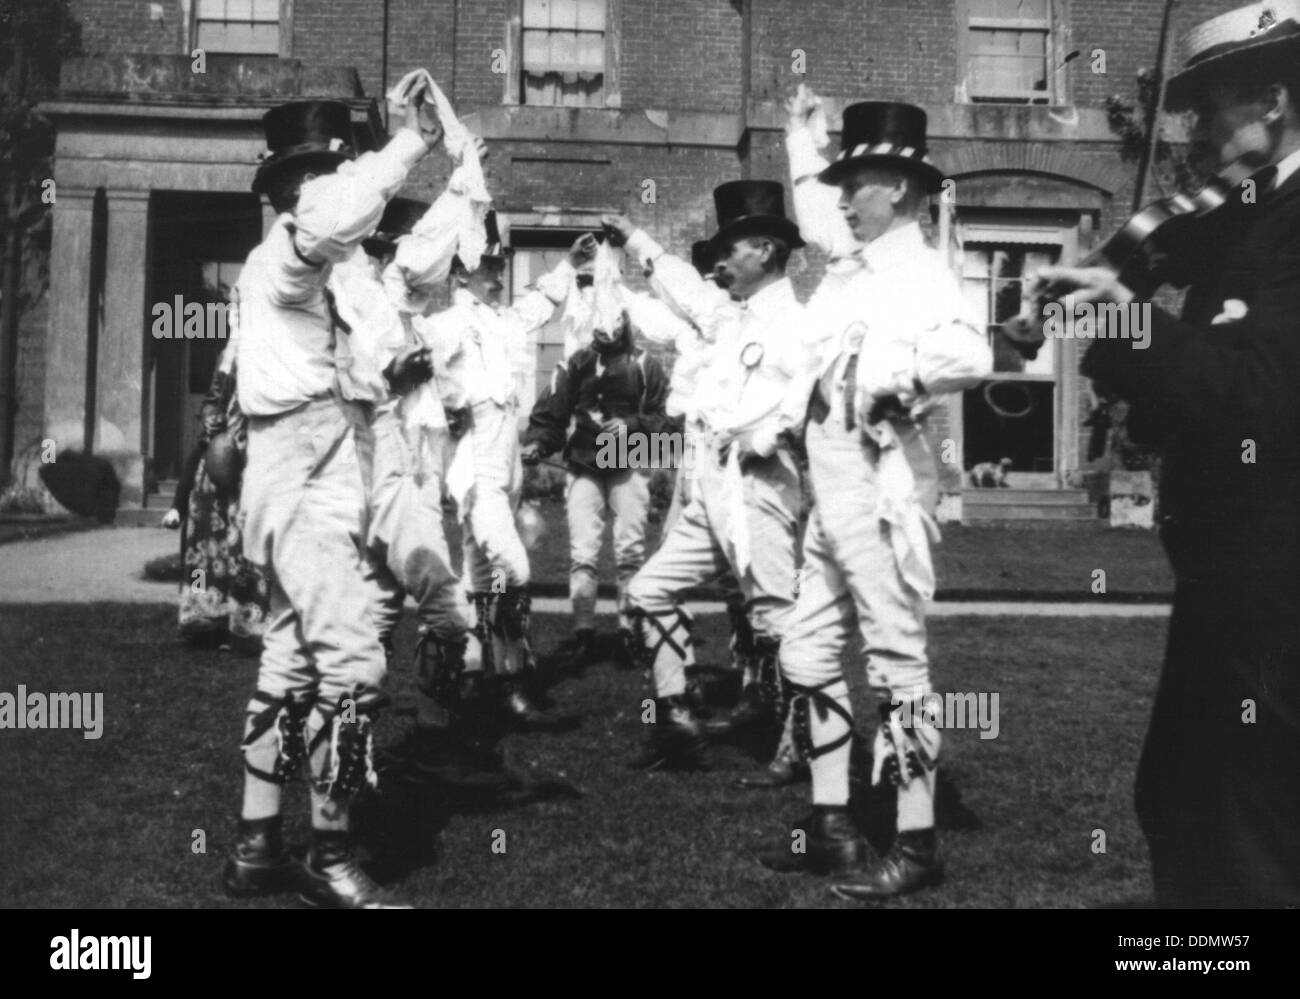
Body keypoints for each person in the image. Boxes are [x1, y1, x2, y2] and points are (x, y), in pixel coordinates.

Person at [1035, 0, 1300, 907]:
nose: (1188, 135)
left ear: (1270, 98)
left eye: (1208, 108)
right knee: (1182, 796)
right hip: (1233, 579)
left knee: (1244, 823)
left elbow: (1256, 397)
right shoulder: (1250, 215)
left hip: (1278, 591)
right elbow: (1197, 397)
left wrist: (1120, 317)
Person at [759, 93, 991, 897]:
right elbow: (817, 214)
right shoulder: (854, 268)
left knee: (897, 659)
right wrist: (801, 137)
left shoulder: (921, 271)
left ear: (896, 188)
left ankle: (918, 841)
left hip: (881, 479)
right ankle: (830, 824)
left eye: (854, 183)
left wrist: (899, 378)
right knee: (805, 648)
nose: (842, 199)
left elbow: (970, 352)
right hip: (831, 482)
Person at [224, 95, 441, 909]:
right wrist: (410, 143)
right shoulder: (286, 253)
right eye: (326, 174)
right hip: (298, 470)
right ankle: (331, 852)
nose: (340, 187)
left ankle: (255, 845)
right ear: (291, 193)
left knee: (290, 655)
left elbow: (377, 341)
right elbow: (340, 215)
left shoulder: (321, 276)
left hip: (322, 462)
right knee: (353, 659)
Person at [606, 181, 812, 772]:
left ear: (767, 251)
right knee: (647, 592)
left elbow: (804, 393)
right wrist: (636, 239)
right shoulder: (731, 315)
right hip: (712, 487)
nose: (719, 262)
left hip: (759, 485)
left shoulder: (796, 322)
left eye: (732, 248)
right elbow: (688, 291)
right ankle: (676, 719)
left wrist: (767, 435)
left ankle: (798, 742)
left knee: (776, 615)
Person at [409, 213, 589, 726]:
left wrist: (570, 265)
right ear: (459, 275)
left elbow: (536, 307)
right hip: (475, 468)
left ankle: (466, 674)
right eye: (486, 264)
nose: (496, 271)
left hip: (506, 460)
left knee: (480, 572)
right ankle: (511, 679)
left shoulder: (502, 320)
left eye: (498, 261)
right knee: (516, 568)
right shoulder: (442, 326)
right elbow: (414, 367)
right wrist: (444, 405)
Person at [521, 241, 671, 669]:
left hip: (631, 463)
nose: (607, 325)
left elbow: (666, 419)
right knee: (583, 553)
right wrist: (537, 443)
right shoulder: (576, 362)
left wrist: (634, 427)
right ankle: (584, 631)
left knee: (629, 551)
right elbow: (551, 413)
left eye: (614, 315)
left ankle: (630, 629)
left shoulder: (645, 364)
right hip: (585, 464)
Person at [168, 327, 268, 652]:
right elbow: (211, 405)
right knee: (207, 549)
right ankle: (205, 620)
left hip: (251, 466)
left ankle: (244, 624)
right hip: (215, 471)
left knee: (244, 549)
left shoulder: (274, 367)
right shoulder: (227, 363)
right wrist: (211, 420)